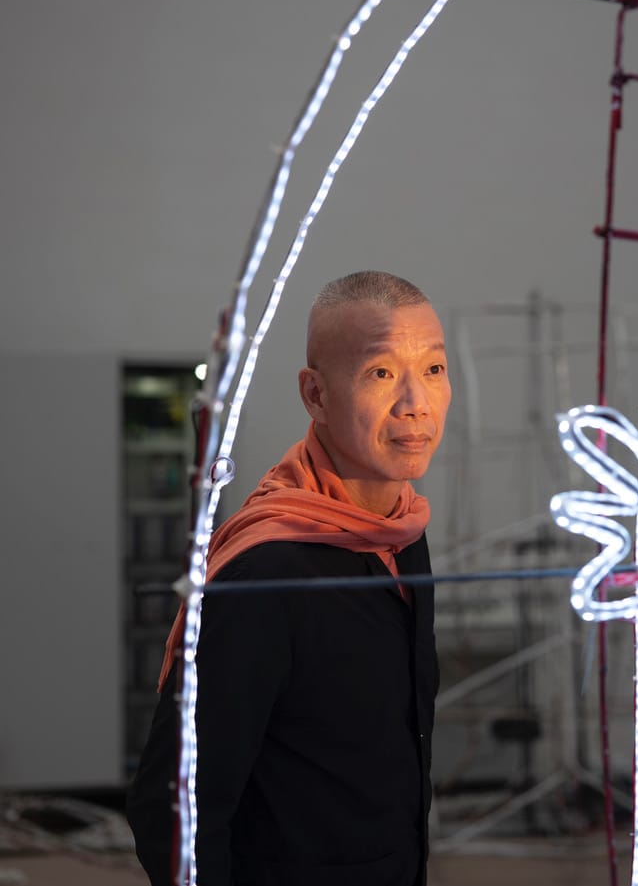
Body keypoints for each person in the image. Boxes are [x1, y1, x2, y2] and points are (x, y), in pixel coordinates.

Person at [127, 271, 451, 886]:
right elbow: (171, 815)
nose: (416, 402)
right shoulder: (268, 573)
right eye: (381, 373)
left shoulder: (403, 533)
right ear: (316, 395)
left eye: (433, 369)